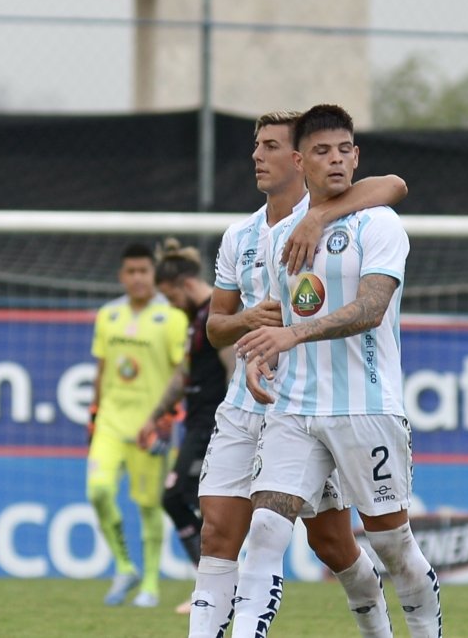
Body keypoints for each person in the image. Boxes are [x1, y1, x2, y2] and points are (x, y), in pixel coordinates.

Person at [188, 109, 409, 638]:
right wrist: (248, 319)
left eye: (268, 146)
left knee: (331, 544)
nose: (256, 157)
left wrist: (316, 218)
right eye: (255, 146)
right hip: (248, 403)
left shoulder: (347, 218)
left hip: (314, 401)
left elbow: (394, 183)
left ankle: (376, 622)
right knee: (220, 531)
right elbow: (215, 328)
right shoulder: (241, 237)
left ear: (296, 159)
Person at [232, 104, 442, 638]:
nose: (336, 160)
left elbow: (371, 309)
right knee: (264, 531)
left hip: (366, 408)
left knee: (393, 547)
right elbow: (285, 314)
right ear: (301, 161)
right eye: (322, 151)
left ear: (356, 156)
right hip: (295, 408)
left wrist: (292, 335)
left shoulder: (380, 223)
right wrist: (263, 356)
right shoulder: (283, 237)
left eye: (345, 150)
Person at [88, 242, 190, 608]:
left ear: (154, 274)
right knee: (98, 491)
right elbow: (101, 370)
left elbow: (183, 370)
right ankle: (124, 566)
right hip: (111, 422)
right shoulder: (107, 315)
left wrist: (168, 418)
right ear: (121, 276)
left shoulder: (173, 318)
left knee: (150, 506)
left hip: (151, 428)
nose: (137, 278)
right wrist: (94, 412)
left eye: (143, 271)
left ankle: (149, 584)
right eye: (130, 272)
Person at [139, 239, 234, 614]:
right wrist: (155, 415)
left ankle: (216, 587)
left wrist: (234, 422)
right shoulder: (196, 320)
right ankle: (215, 586)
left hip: (214, 423)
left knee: (181, 497)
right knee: (183, 499)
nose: (169, 304)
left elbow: (233, 367)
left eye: (168, 295)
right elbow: (183, 375)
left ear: (182, 284)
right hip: (197, 423)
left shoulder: (218, 312)